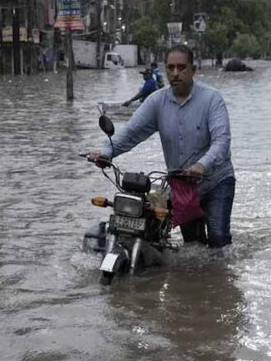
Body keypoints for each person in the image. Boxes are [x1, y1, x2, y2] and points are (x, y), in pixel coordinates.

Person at [89, 45, 235, 249]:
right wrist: (106, 152)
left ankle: (221, 277)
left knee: (218, 239)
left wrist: (201, 166)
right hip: (183, 185)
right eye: (170, 68)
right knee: (193, 247)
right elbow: (131, 132)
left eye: (181, 67)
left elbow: (222, 141)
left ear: (193, 70)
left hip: (216, 180)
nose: (175, 73)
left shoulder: (212, 99)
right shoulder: (156, 102)